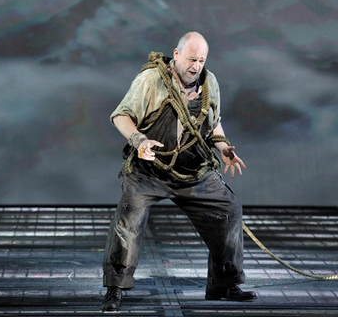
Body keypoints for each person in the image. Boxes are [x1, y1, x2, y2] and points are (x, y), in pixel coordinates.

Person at [101, 31, 257, 312]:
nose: (196, 65)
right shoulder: (151, 80)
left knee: (229, 209)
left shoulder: (209, 83)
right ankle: (115, 287)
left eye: (201, 59)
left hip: (192, 170)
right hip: (148, 171)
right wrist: (139, 140)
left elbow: (213, 122)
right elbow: (121, 115)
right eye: (190, 59)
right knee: (128, 220)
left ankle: (224, 284)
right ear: (176, 54)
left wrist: (223, 147)